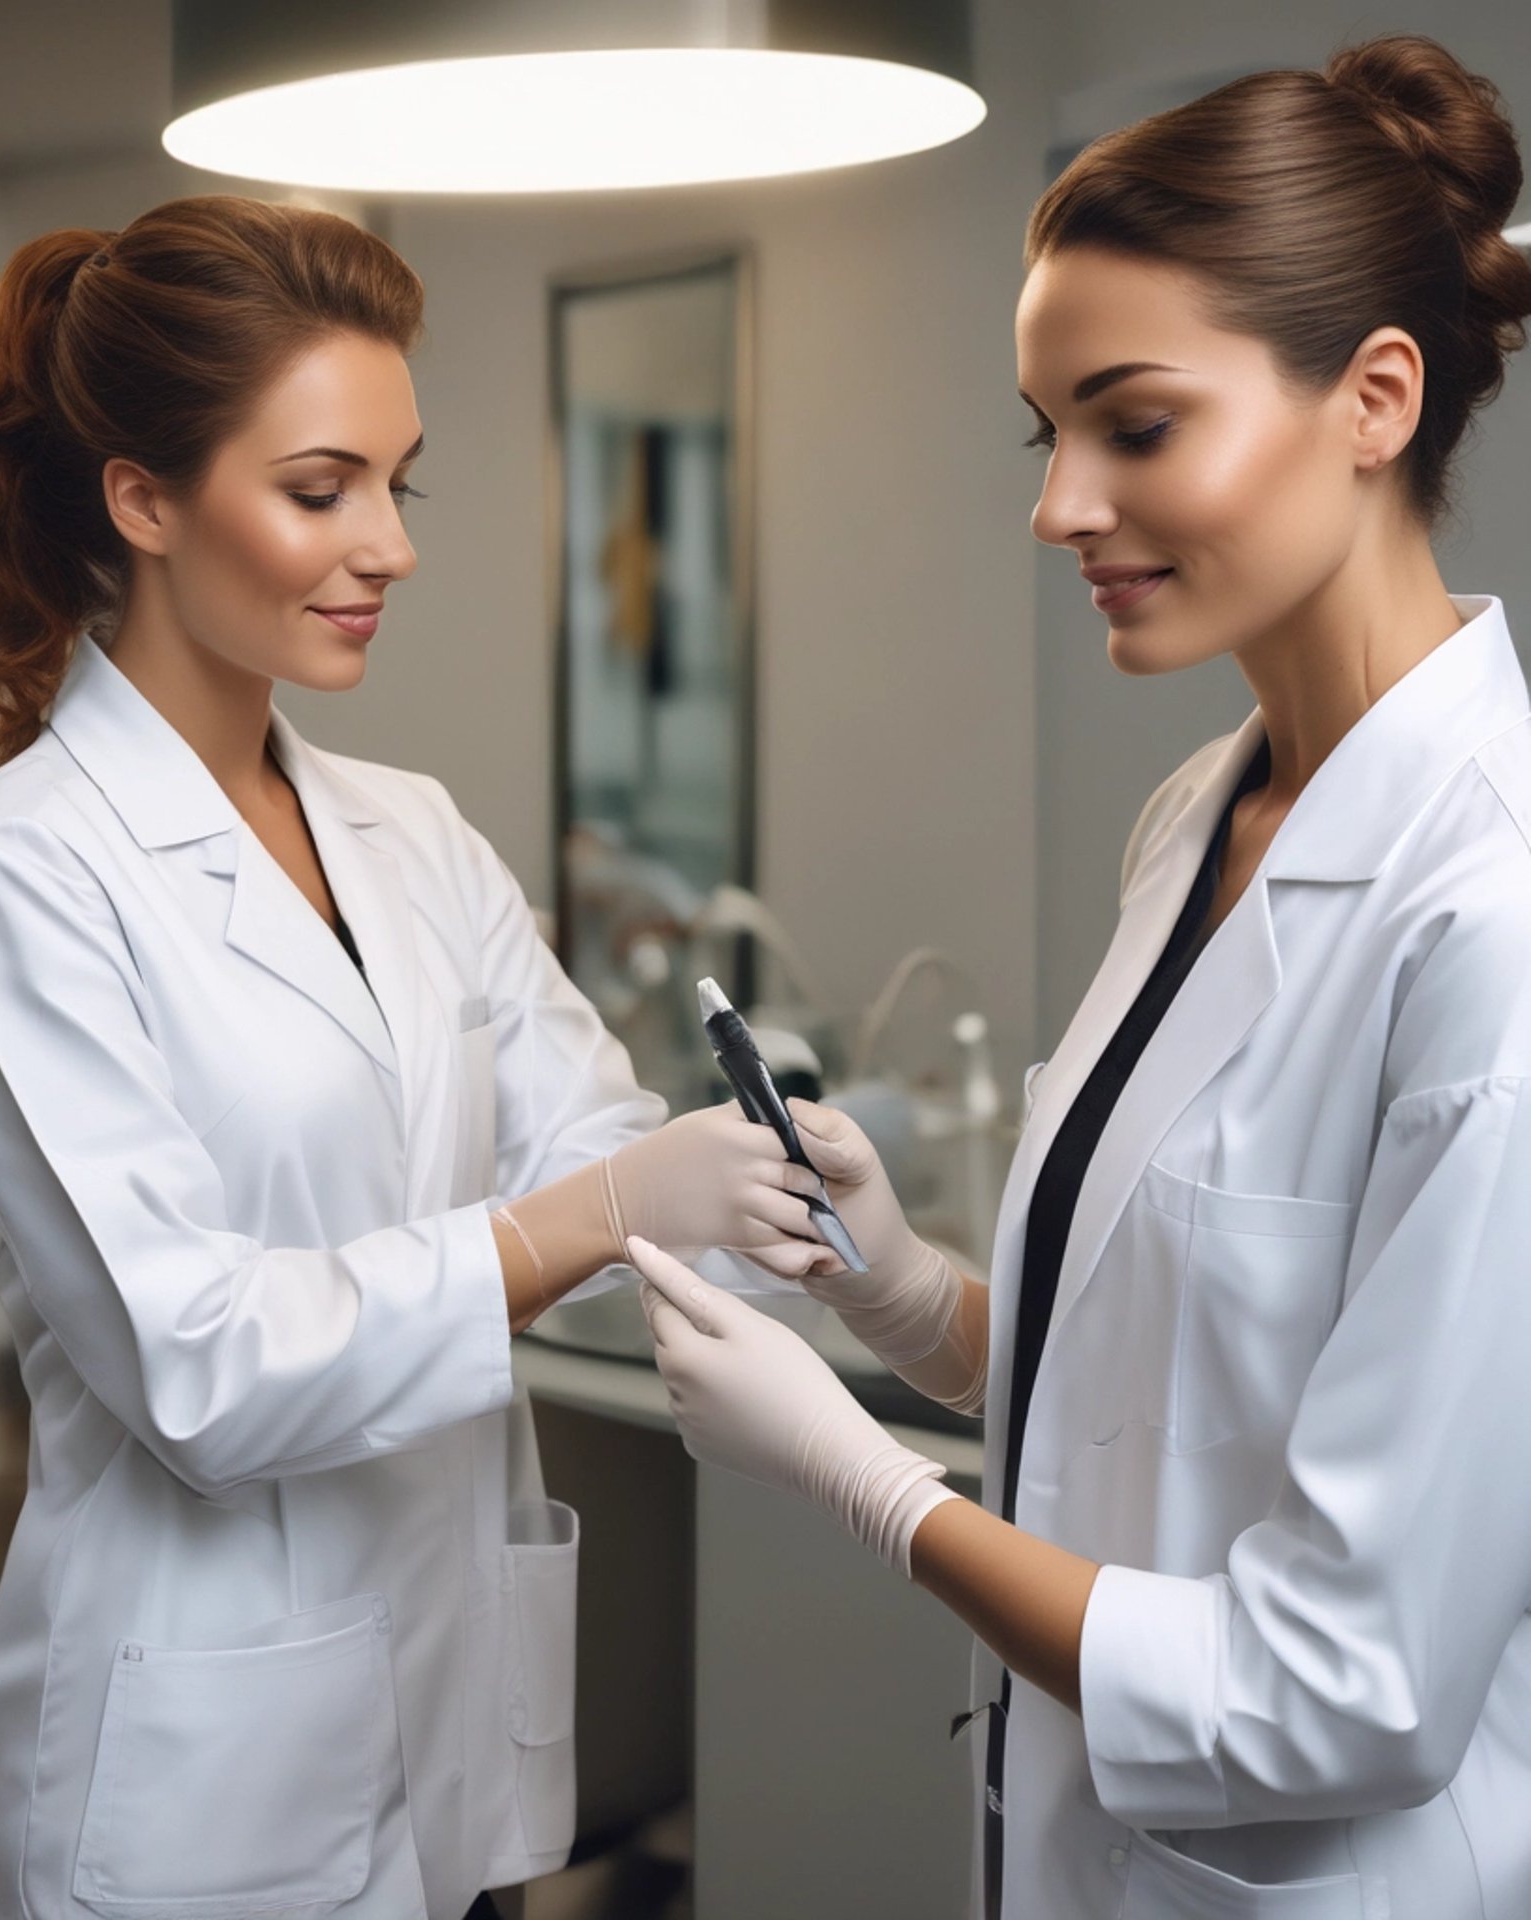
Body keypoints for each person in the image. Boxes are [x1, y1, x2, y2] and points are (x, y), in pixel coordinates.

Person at [631, 33, 1531, 1918]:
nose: (1060, 509)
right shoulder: (1201, 811)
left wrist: (872, 1488)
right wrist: (905, 1300)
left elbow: (1341, 1692)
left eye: (1136, 426)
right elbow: (1170, 1393)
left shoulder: (1492, 911)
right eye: (1051, 436)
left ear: (1376, 399)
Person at [0, 196, 825, 1920]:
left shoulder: (410, 831)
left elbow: (592, 1143)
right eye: (323, 489)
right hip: (206, 1774)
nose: (389, 543)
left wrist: (792, 1209)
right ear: (145, 499)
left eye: (401, 484)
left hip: (445, 1730)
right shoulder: (21, 864)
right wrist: (596, 1212)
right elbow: (203, 1367)